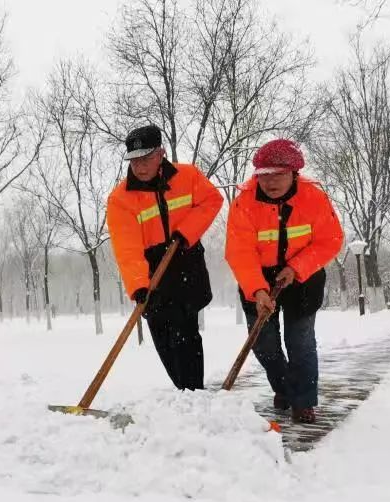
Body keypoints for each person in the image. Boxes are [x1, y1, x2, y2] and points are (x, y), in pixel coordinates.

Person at [225, 139, 344, 424]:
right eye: (264, 175)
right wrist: (257, 289)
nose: (271, 182)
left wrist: (296, 268)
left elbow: (330, 241)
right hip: (258, 277)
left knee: (300, 341)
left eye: (278, 174)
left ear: (294, 173)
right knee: (264, 343)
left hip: (304, 278)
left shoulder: (313, 198)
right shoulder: (244, 203)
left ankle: (302, 401)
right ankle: (284, 388)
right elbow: (239, 251)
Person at [107, 124, 223, 391]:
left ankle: (193, 392)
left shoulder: (188, 176)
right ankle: (185, 391)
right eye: (134, 160)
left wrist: (186, 233)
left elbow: (211, 201)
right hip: (152, 273)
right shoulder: (121, 199)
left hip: (186, 261)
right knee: (163, 337)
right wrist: (139, 285)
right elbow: (127, 248)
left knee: (185, 332)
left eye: (146, 158)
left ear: (161, 153)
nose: (140, 166)